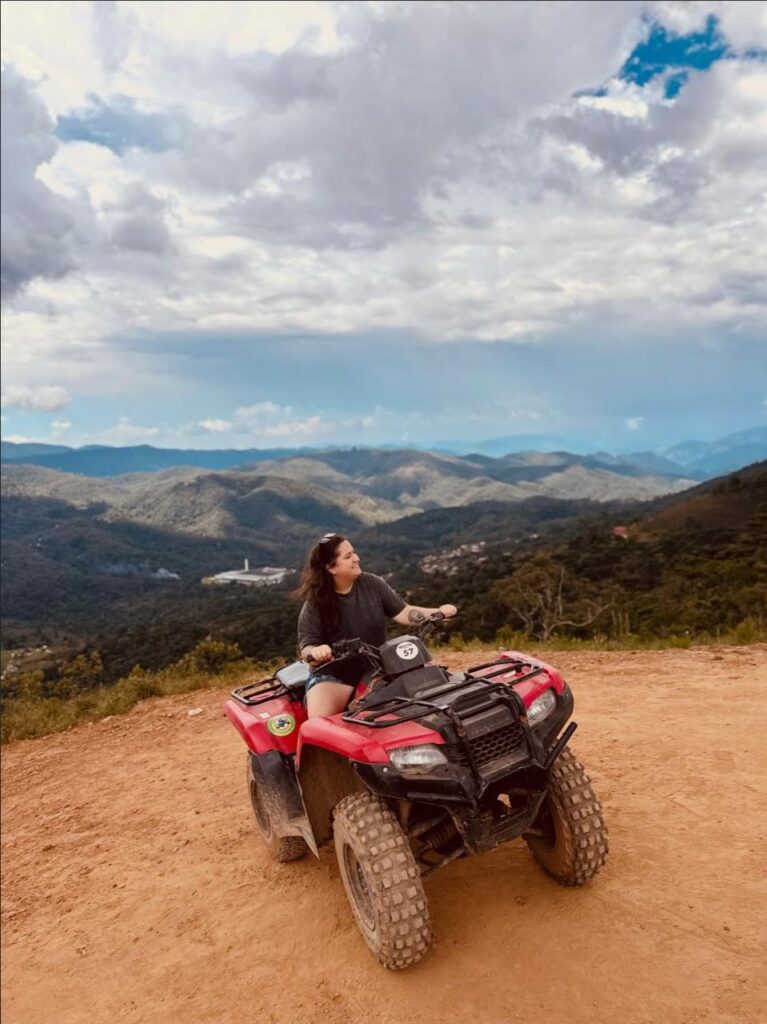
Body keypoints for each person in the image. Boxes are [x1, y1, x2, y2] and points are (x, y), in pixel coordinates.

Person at [296, 533, 457, 719]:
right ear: (331, 568)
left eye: (354, 552)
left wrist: (437, 612)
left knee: (432, 694)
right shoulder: (316, 602)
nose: (356, 558)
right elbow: (306, 648)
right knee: (319, 725)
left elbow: (404, 612)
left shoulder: (372, 583)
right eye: (348, 556)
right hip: (336, 675)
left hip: (377, 667)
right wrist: (317, 651)